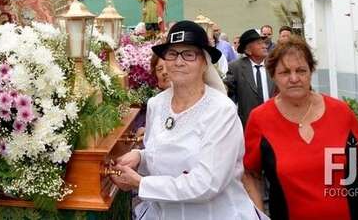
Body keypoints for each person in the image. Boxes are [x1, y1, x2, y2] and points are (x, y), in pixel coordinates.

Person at [110, 21, 261, 219]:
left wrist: (141, 183)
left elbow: (207, 183)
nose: (178, 62)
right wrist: (140, 157)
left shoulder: (221, 111)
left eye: (189, 54)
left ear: (204, 62)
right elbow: (164, 156)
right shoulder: (157, 104)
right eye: (172, 54)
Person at [243, 36, 358, 220]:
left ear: (311, 71)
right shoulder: (260, 119)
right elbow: (252, 175)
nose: (294, 78)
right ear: (273, 76)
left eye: (301, 70)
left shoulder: (340, 112)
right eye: (285, 72)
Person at [225, 29, 275, 128]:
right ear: (248, 50)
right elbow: (226, 91)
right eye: (259, 43)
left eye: (264, 43)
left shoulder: (274, 64)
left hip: (273, 123)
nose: (264, 46)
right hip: (249, 125)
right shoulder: (236, 67)